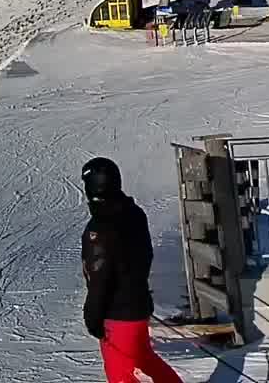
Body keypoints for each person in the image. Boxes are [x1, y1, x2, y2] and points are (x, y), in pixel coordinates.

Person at [80, 157, 182, 383]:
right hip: (137, 306)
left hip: (117, 315)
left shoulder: (99, 229)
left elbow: (100, 278)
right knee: (144, 359)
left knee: (121, 375)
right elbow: (145, 256)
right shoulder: (133, 213)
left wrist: (93, 316)